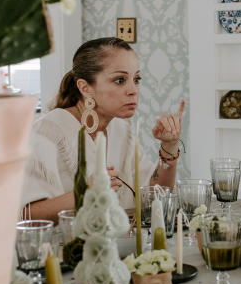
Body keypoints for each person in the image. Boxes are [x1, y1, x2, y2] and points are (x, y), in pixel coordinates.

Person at [21, 37, 184, 220]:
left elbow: (155, 197)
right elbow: (25, 214)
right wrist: (86, 194)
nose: (133, 90)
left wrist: (169, 146)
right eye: (120, 80)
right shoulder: (46, 133)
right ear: (85, 88)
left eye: (136, 79)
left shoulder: (123, 132)